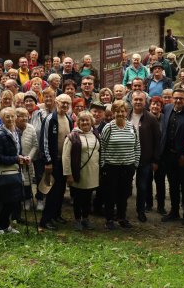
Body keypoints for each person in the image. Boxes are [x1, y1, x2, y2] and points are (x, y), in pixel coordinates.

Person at [157, 89, 184, 223]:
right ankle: (174, 211)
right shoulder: (167, 108)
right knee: (173, 184)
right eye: (176, 98)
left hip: (183, 157)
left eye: (181, 98)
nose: (178, 101)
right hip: (169, 154)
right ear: (172, 99)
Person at [99, 100, 140, 230]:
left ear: (126, 113)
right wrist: (103, 165)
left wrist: (135, 164)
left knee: (124, 194)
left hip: (128, 166)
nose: (120, 114)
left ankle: (122, 218)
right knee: (110, 194)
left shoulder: (131, 127)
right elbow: (102, 147)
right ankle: (109, 219)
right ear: (113, 113)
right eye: (117, 111)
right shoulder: (108, 127)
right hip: (111, 167)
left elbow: (137, 146)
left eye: (122, 111)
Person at [0, 107, 28, 234]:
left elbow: (18, 151)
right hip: (3, 173)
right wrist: (16, 159)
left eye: (12, 116)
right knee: (6, 200)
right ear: (1, 119)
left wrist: (22, 158)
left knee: (14, 200)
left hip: (14, 170)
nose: (10, 119)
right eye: (7, 117)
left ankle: (6, 226)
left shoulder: (16, 131)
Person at [38, 94, 73, 230]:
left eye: (67, 103)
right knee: (52, 191)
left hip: (64, 161)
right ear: (56, 102)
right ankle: (45, 220)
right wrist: (48, 161)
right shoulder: (50, 119)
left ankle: (56, 215)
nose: (64, 105)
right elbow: (44, 141)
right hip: (53, 162)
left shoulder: (69, 119)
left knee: (61, 190)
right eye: (62, 102)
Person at [63, 111, 100, 230]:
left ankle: (86, 219)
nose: (85, 122)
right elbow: (66, 156)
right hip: (78, 173)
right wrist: (68, 174)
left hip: (92, 173)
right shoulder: (72, 136)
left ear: (91, 122)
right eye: (82, 120)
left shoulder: (95, 134)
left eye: (87, 120)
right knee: (78, 198)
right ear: (78, 122)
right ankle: (77, 220)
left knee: (88, 198)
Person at [129, 90, 161, 222]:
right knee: (126, 185)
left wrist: (155, 160)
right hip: (128, 158)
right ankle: (122, 210)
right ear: (131, 101)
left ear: (145, 102)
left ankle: (140, 211)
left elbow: (157, 140)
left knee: (142, 186)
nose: (137, 102)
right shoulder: (126, 116)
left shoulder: (151, 119)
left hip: (145, 159)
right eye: (135, 99)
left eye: (140, 100)